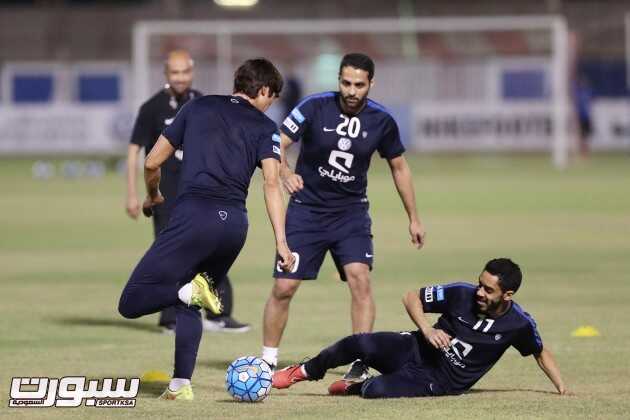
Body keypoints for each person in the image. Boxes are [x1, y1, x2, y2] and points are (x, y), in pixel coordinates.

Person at [118, 58, 295, 400]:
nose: (269, 105)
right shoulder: (265, 128)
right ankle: (181, 385)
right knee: (191, 298)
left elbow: (153, 161)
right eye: (271, 99)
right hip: (234, 229)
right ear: (262, 91)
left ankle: (188, 296)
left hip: (193, 218)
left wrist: (153, 195)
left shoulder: (196, 107)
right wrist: (282, 243)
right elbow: (272, 185)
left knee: (132, 301)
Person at [261, 53, 426, 381]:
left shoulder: (382, 120)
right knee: (284, 287)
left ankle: (360, 361)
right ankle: (266, 362)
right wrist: (286, 172)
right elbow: (276, 143)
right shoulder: (313, 106)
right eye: (346, 83)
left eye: (359, 85)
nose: (352, 90)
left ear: (371, 84)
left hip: (351, 214)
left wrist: (414, 218)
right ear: (339, 81)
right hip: (306, 211)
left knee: (360, 280)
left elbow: (399, 167)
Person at [272, 258, 569, 399]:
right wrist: (426, 329)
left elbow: (540, 353)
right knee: (358, 343)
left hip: (441, 380)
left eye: (488, 290)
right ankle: (302, 372)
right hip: (416, 347)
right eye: (480, 283)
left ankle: (356, 386)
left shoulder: (519, 323)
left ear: (507, 295)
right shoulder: (460, 293)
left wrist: (562, 388)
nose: (479, 292)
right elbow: (410, 296)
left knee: (376, 391)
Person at [125, 49, 250, 333]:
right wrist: (132, 193)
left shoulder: (203, 103)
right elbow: (135, 151)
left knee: (216, 249)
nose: (180, 78)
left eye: (185, 72)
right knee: (169, 256)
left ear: (192, 72)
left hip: (201, 191)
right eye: (174, 73)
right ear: (166, 74)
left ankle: (218, 315)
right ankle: (169, 318)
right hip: (165, 193)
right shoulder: (152, 107)